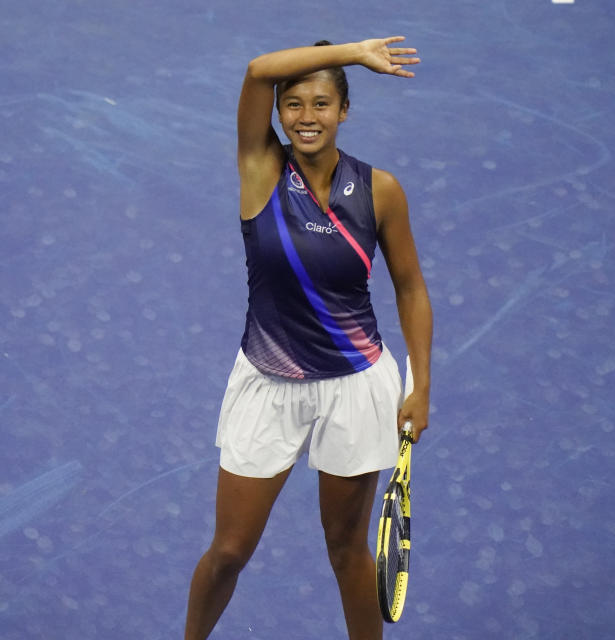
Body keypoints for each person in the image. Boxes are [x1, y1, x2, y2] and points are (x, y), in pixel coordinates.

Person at [184, 38, 433, 640]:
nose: (306, 117)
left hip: (355, 387)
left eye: (321, 104)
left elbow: (410, 287)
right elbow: (254, 70)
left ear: (344, 111)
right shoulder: (260, 167)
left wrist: (420, 383)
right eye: (292, 104)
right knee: (230, 550)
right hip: (267, 384)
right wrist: (353, 52)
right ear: (277, 112)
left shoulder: (381, 191)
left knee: (348, 548)